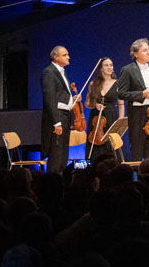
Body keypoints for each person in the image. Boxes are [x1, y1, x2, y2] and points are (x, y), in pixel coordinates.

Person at [115, 38, 149, 161]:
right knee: (137, 149)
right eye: (144, 50)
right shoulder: (128, 70)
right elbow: (121, 93)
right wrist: (142, 94)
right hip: (137, 113)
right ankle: (137, 173)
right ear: (136, 54)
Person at [40, 45, 80, 174]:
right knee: (56, 153)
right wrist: (56, 122)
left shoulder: (63, 72)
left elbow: (60, 96)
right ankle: (53, 180)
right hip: (57, 117)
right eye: (65, 55)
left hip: (65, 115)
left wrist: (72, 100)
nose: (68, 57)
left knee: (63, 152)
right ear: (55, 57)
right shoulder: (49, 72)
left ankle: (62, 179)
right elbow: (49, 98)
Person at [85, 57, 123, 163]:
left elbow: (121, 105)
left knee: (109, 147)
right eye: (106, 65)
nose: (109, 67)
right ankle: (91, 170)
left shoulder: (118, 84)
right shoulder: (93, 84)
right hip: (95, 119)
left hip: (111, 117)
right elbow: (87, 103)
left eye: (111, 65)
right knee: (94, 147)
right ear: (101, 68)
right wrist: (95, 105)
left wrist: (120, 122)